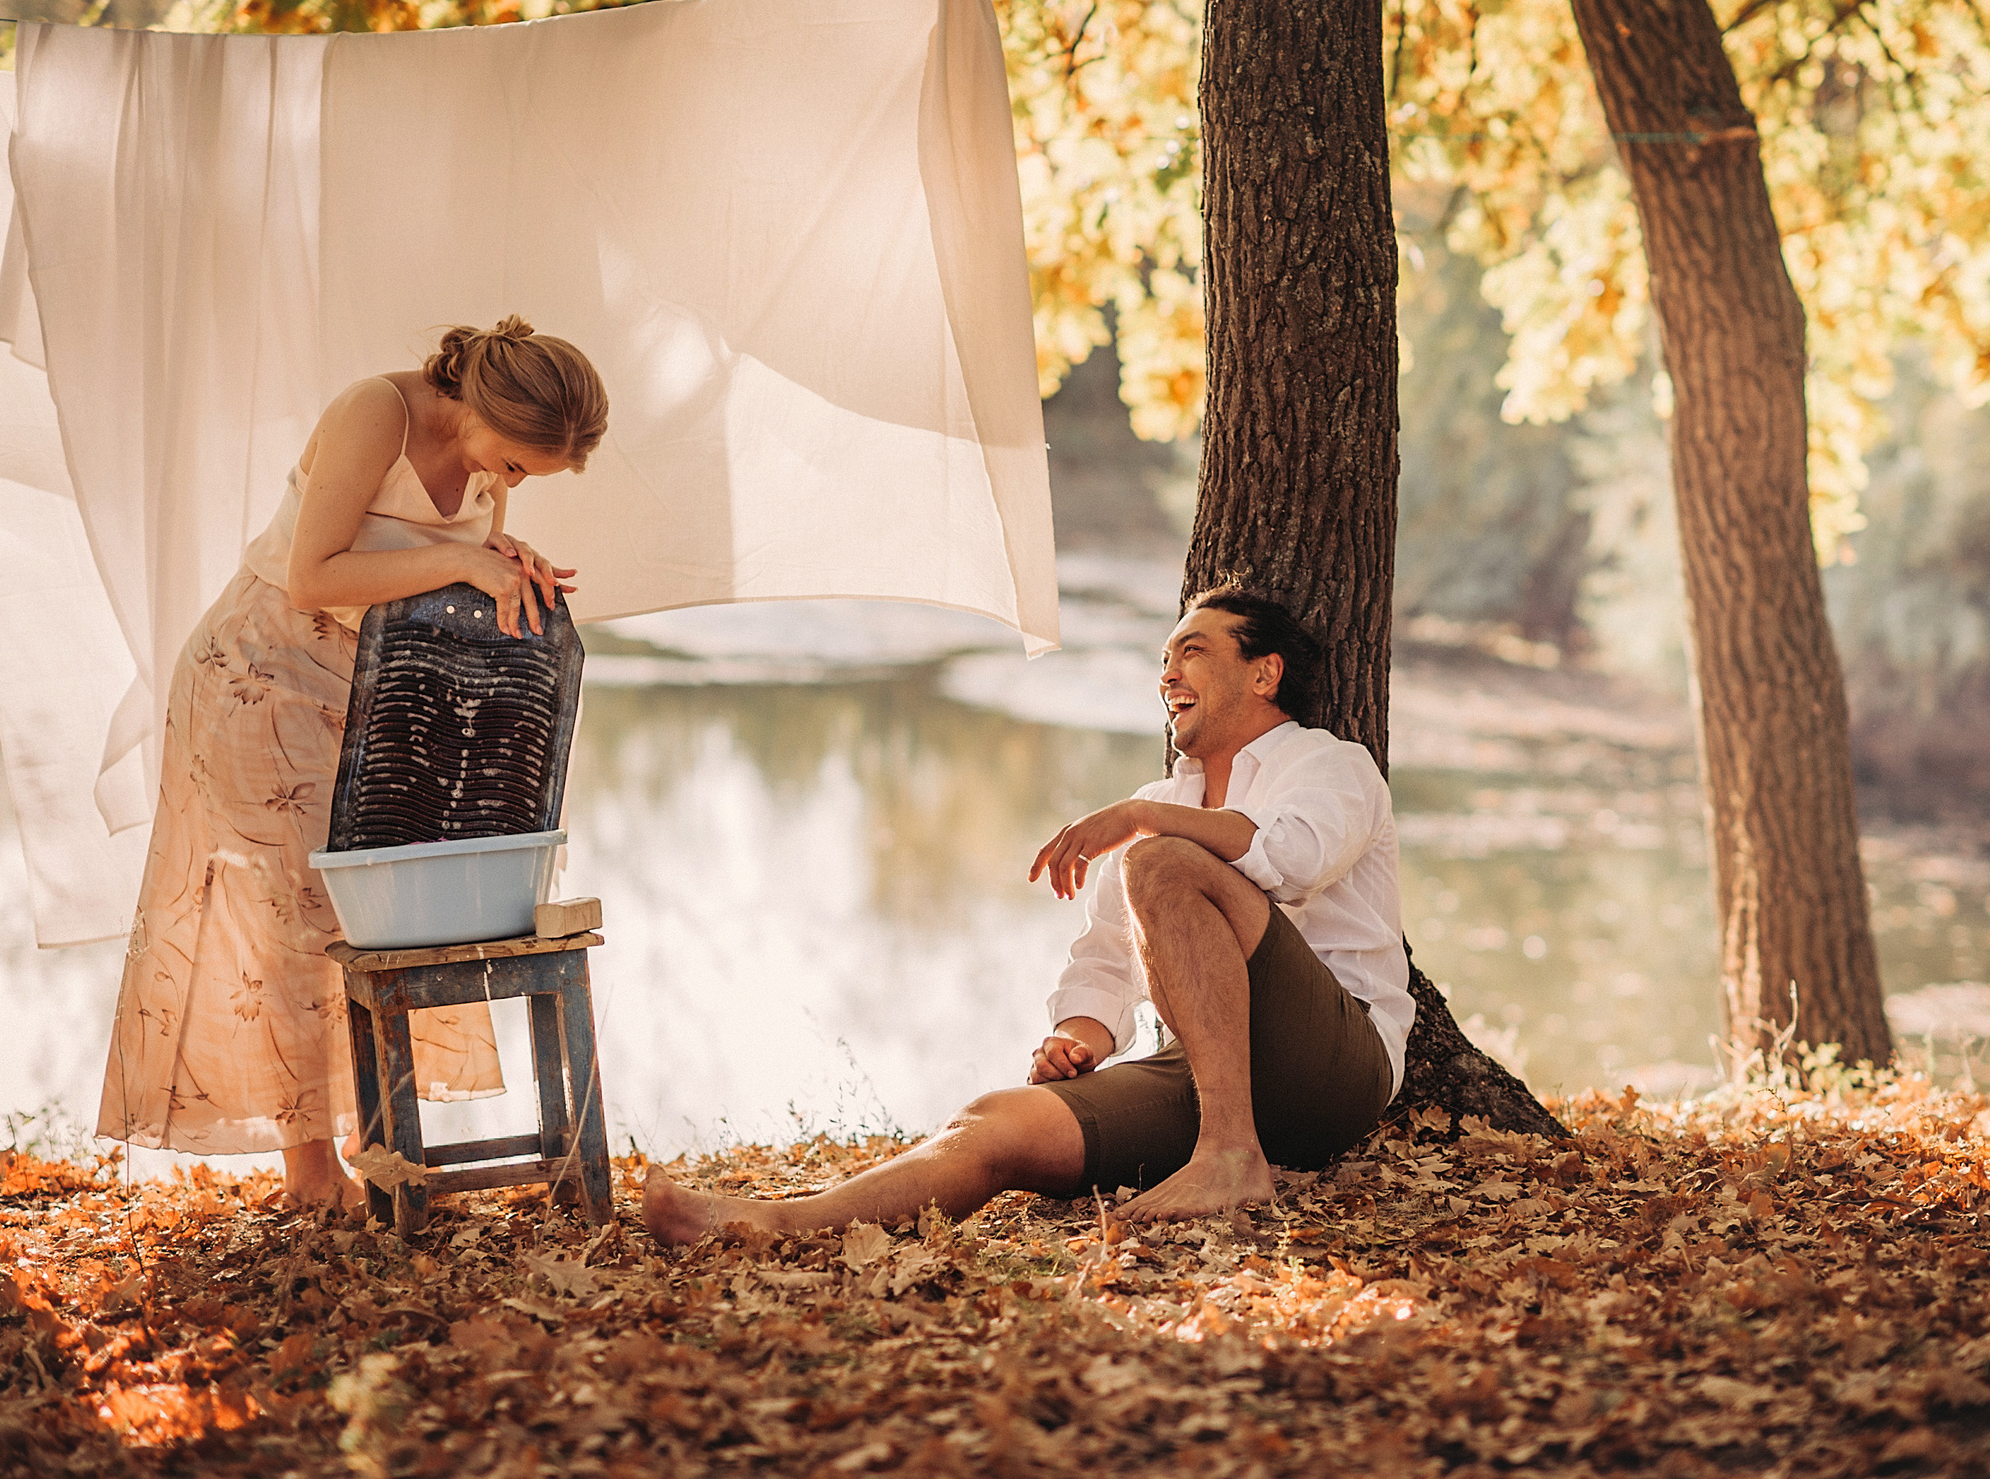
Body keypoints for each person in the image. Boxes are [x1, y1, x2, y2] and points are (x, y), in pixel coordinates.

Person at [644, 588, 1412, 1239]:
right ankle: (776, 1222)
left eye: (1194, 651)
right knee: (996, 1120)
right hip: (1210, 1075)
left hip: (1333, 1069)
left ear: (1265, 673)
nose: (1168, 674)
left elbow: (1296, 859)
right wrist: (1079, 1035)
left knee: (1162, 861)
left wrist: (1140, 817)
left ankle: (1230, 1160)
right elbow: (1111, 954)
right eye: (1164, 660)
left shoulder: (1329, 765)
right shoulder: (1172, 804)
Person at [97, 316, 609, 1210]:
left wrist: (498, 560)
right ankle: (309, 1172)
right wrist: (458, 554)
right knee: (298, 918)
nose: (509, 481)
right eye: (518, 463)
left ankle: (385, 1144)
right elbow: (314, 576)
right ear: (484, 402)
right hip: (261, 672)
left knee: (383, 910)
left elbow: (431, 567)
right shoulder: (379, 412)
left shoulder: (488, 456)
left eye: (526, 477)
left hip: (370, 686)